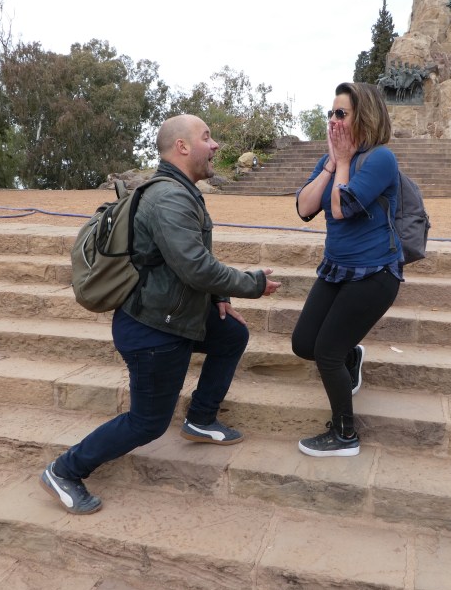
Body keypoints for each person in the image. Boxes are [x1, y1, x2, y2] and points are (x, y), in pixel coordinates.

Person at [40, 114, 281, 514]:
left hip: (172, 313)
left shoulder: (178, 190)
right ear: (182, 147)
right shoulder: (169, 197)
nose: (215, 145)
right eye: (207, 137)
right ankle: (65, 470)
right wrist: (251, 284)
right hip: (152, 329)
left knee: (230, 335)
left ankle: (201, 418)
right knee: (147, 423)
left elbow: (188, 259)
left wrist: (219, 294)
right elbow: (195, 267)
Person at [292, 82, 402, 457]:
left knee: (327, 352)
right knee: (303, 344)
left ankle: (344, 435)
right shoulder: (331, 161)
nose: (333, 120)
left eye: (341, 113)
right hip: (336, 269)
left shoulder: (380, 159)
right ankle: (351, 357)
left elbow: (342, 209)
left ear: (363, 116)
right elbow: (305, 208)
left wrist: (341, 163)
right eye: (331, 113)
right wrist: (330, 164)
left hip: (374, 274)